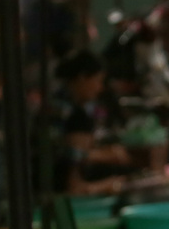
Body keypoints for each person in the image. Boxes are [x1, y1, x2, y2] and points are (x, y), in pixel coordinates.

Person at [51, 50, 141, 195]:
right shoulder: (73, 115)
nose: (100, 88)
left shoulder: (57, 101)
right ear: (82, 78)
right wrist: (109, 182)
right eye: (98, 81)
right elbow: (73, 181)